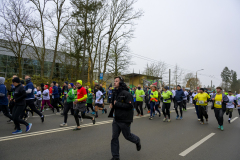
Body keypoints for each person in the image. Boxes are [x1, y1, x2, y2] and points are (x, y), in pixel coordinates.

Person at [109, 76, 141, 160]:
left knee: (127, 136)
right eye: (114, 81)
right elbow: (114, 102)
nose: (114, 82)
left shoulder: (126, 94)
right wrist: (112, 104)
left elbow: (130, 106)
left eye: (116, 81)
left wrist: (117, 104)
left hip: (125, 120)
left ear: (121, 83)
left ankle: (137, 140)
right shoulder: (115, 92)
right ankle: (115, 157)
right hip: (116, 119)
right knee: (114, 138)